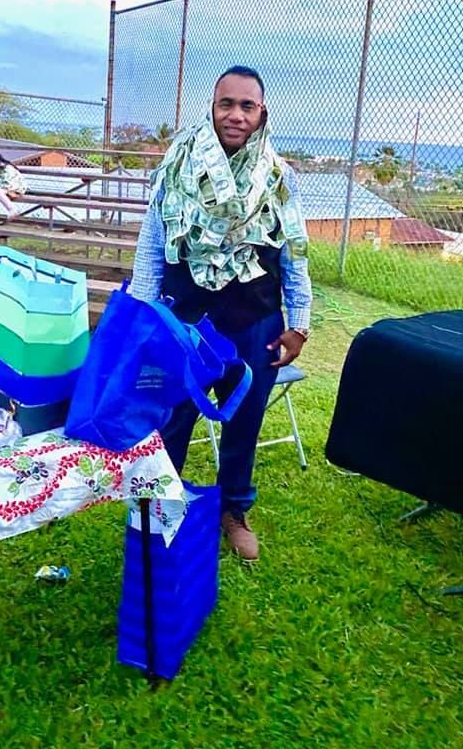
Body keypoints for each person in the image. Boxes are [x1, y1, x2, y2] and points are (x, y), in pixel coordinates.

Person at [129, 66, 312, 562]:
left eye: (246, 106)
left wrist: (298, 322)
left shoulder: (279, 176)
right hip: (184, 321)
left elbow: (295, 252)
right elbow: (152, 242)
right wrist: (146, 315)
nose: (235, 115)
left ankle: (234, 511)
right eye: (225, 104)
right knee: (172, 420)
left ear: (262, 113)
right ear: (211, 109)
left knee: (244, 423)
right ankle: (161, 509)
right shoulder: (177, 168)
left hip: (254, 323)